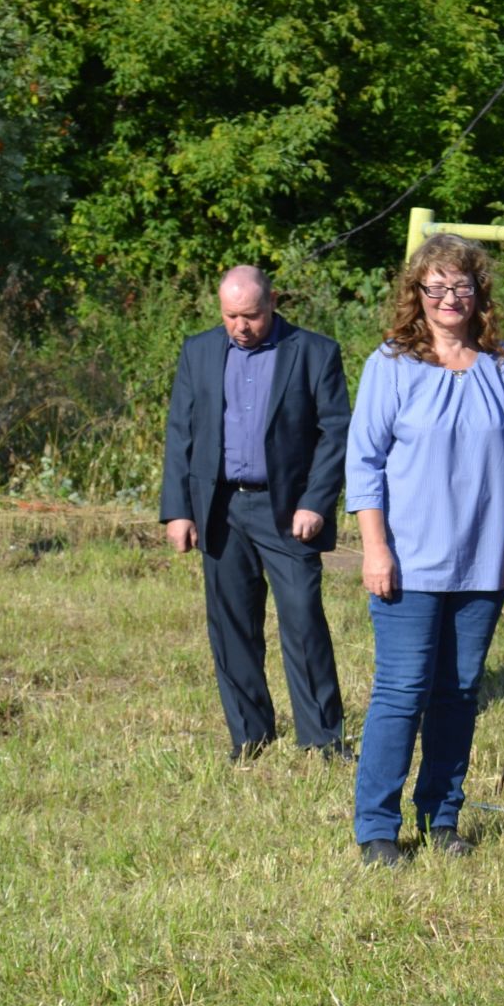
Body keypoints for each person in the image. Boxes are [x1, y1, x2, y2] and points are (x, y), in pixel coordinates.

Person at [343, 235, 504, 866]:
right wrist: (375, 549)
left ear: (479, 292)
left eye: (462, 286)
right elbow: (364, 464)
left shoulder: (503, 365)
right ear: (417, 295)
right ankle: (377, 827)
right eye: (437, 287)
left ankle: (441, 817)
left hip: (483, 559)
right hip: (408, 562)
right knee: (402, 692)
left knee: (459, 694)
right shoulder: (392, 365)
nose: (450, 298)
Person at [159, 265, 351, 761]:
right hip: (220, 507)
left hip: (286, 509)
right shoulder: (198, 352)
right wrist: (178, 510)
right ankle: (250, 735)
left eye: (251, 316)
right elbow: (181, 433)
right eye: (230, 316)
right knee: (231, 624)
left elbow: (335, 433)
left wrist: (316, 501)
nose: (241, 326)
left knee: (303, 619)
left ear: (272, 304)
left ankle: (323, 739)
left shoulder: (314, 352)